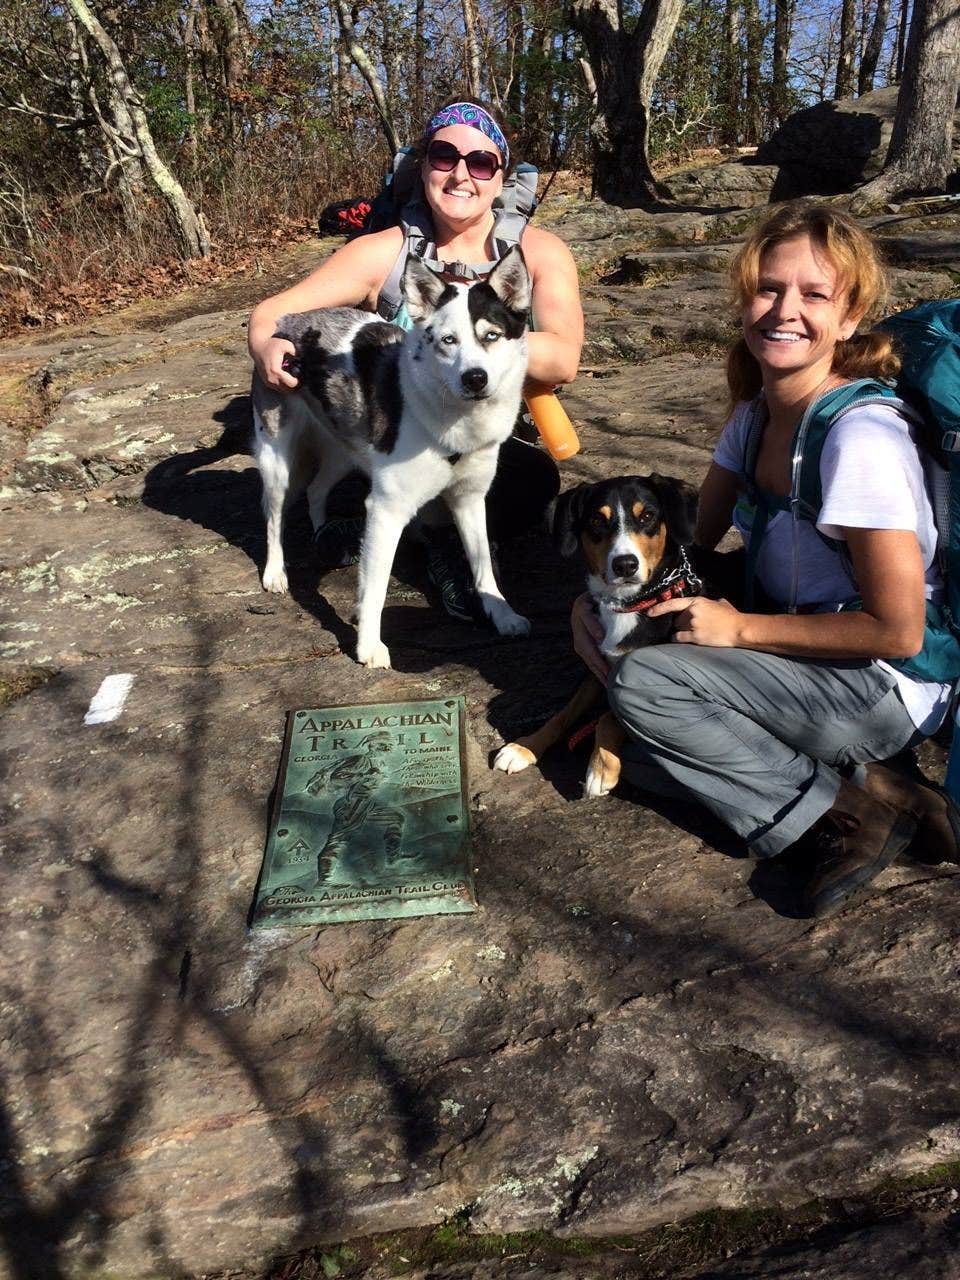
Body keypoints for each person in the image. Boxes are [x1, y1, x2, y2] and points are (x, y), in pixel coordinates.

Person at [572, 200, 959, 917]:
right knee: (626, 751)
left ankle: (842, 816)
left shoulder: (859, 441)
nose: (785, 310)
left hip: (880, 682)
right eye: (769, 288)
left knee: (647, 695)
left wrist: (740, 632)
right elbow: (685, 550)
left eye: (815, 295)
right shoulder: (753, 419)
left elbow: (898, 632)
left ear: (849, 319)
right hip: (799, 665)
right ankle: (881, 785)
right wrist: (590, 603)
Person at [248, 97, 584, 622]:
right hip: (399, 428)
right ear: (423, 167)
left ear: (500, 178)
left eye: (480, 162)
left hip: (486, 427)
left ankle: (419, 534)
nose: (461, 175)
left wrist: (464, 350)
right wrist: (268, 347)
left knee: (532, 479)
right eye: (444, 156)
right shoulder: (383, 251)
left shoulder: (538, 253)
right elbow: (272, 314)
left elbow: (563, 358)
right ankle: (416, 535)